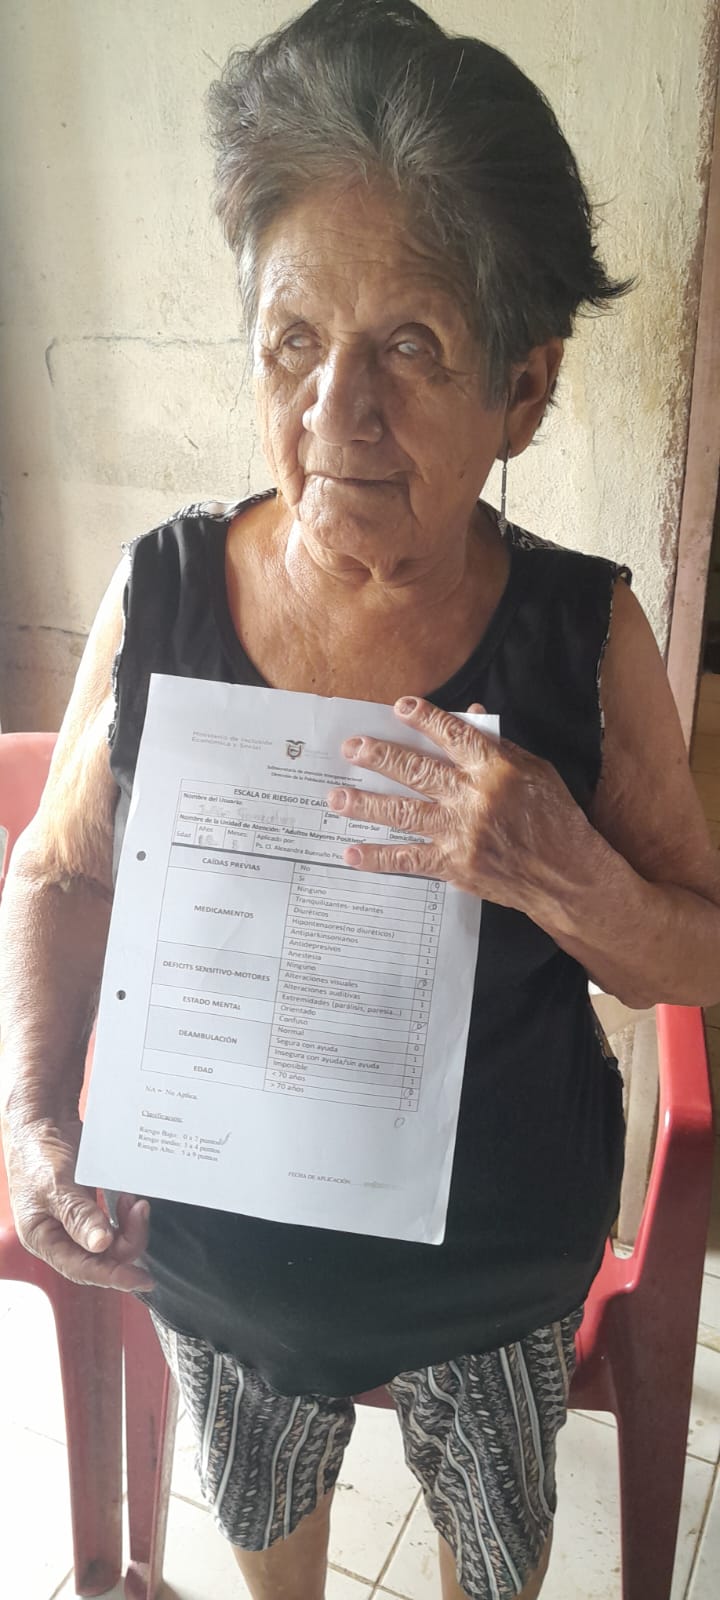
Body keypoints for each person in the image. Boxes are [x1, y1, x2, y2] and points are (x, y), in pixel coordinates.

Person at [2, 3, 719, 1597]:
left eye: (410, 347)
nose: (338, 412)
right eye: (293, 342)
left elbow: (701, 949)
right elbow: (56, 874)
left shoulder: (584, 636)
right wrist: (33, 1111)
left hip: (492, 1283)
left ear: (524, 390)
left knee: (491, 1554)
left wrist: (564, 873)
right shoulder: (165, 596)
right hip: (217, 1269)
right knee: (267, 1534)